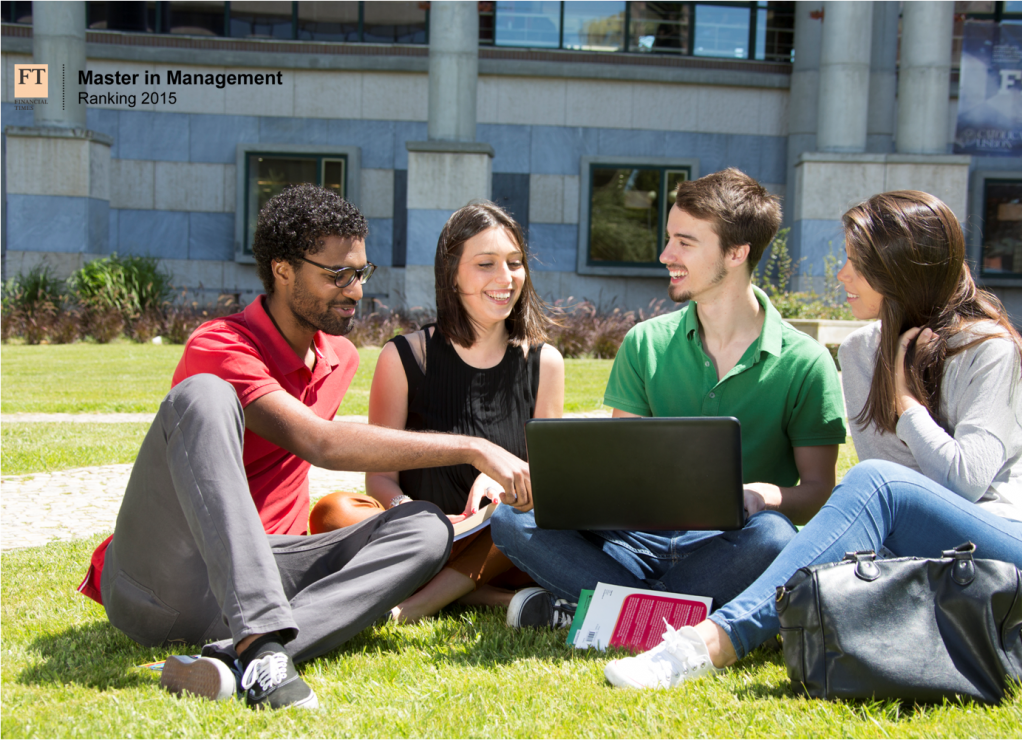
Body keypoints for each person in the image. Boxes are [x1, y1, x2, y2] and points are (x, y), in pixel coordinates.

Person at [602, 190, 1022, 697]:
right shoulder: (862, 351)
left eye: (856, 263)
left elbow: (963, 482)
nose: (841, 275)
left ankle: (704, 645)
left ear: (903, 269)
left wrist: (907, 403)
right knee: (848, 572)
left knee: (872, 485)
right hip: (934, 566)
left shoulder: (988, 349)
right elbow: (887, 517)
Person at [79, 184, 534, 711]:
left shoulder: (339, 357)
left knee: (424, 526)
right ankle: (259, 647)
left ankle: (235, 660)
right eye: (335, 274)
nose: (355, 290)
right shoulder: (218, 345)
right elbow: (319, 441)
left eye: (360, 273)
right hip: (165, 579)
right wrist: (475, 448)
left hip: (274, 577)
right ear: (283, 270)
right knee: (201, 396)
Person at [491, 168, 847, 629]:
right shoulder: (645, 343)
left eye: (685, 242)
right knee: (512, 519)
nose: (665, 255)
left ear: (737, 253)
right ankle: (676, 614)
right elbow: (623, 469)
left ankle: (614, 609)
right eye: (668, 239)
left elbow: (817, 491)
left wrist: (766, 495)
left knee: (775, 538)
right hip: (633, 544)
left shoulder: (806, 361)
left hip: (731, 547)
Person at [308, 201, 564, 621]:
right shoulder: (406, 356)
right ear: (452, 273)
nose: (506, 278)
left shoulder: (544, 362)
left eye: (515, 263)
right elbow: (380, 477)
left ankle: (414, 605)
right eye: (486, 264)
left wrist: (500, 481)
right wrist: (417, 517)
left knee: (526, 521)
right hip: (418, 532)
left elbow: (547, 482)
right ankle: (486, 598)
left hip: (498, 542)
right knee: (333, 512)